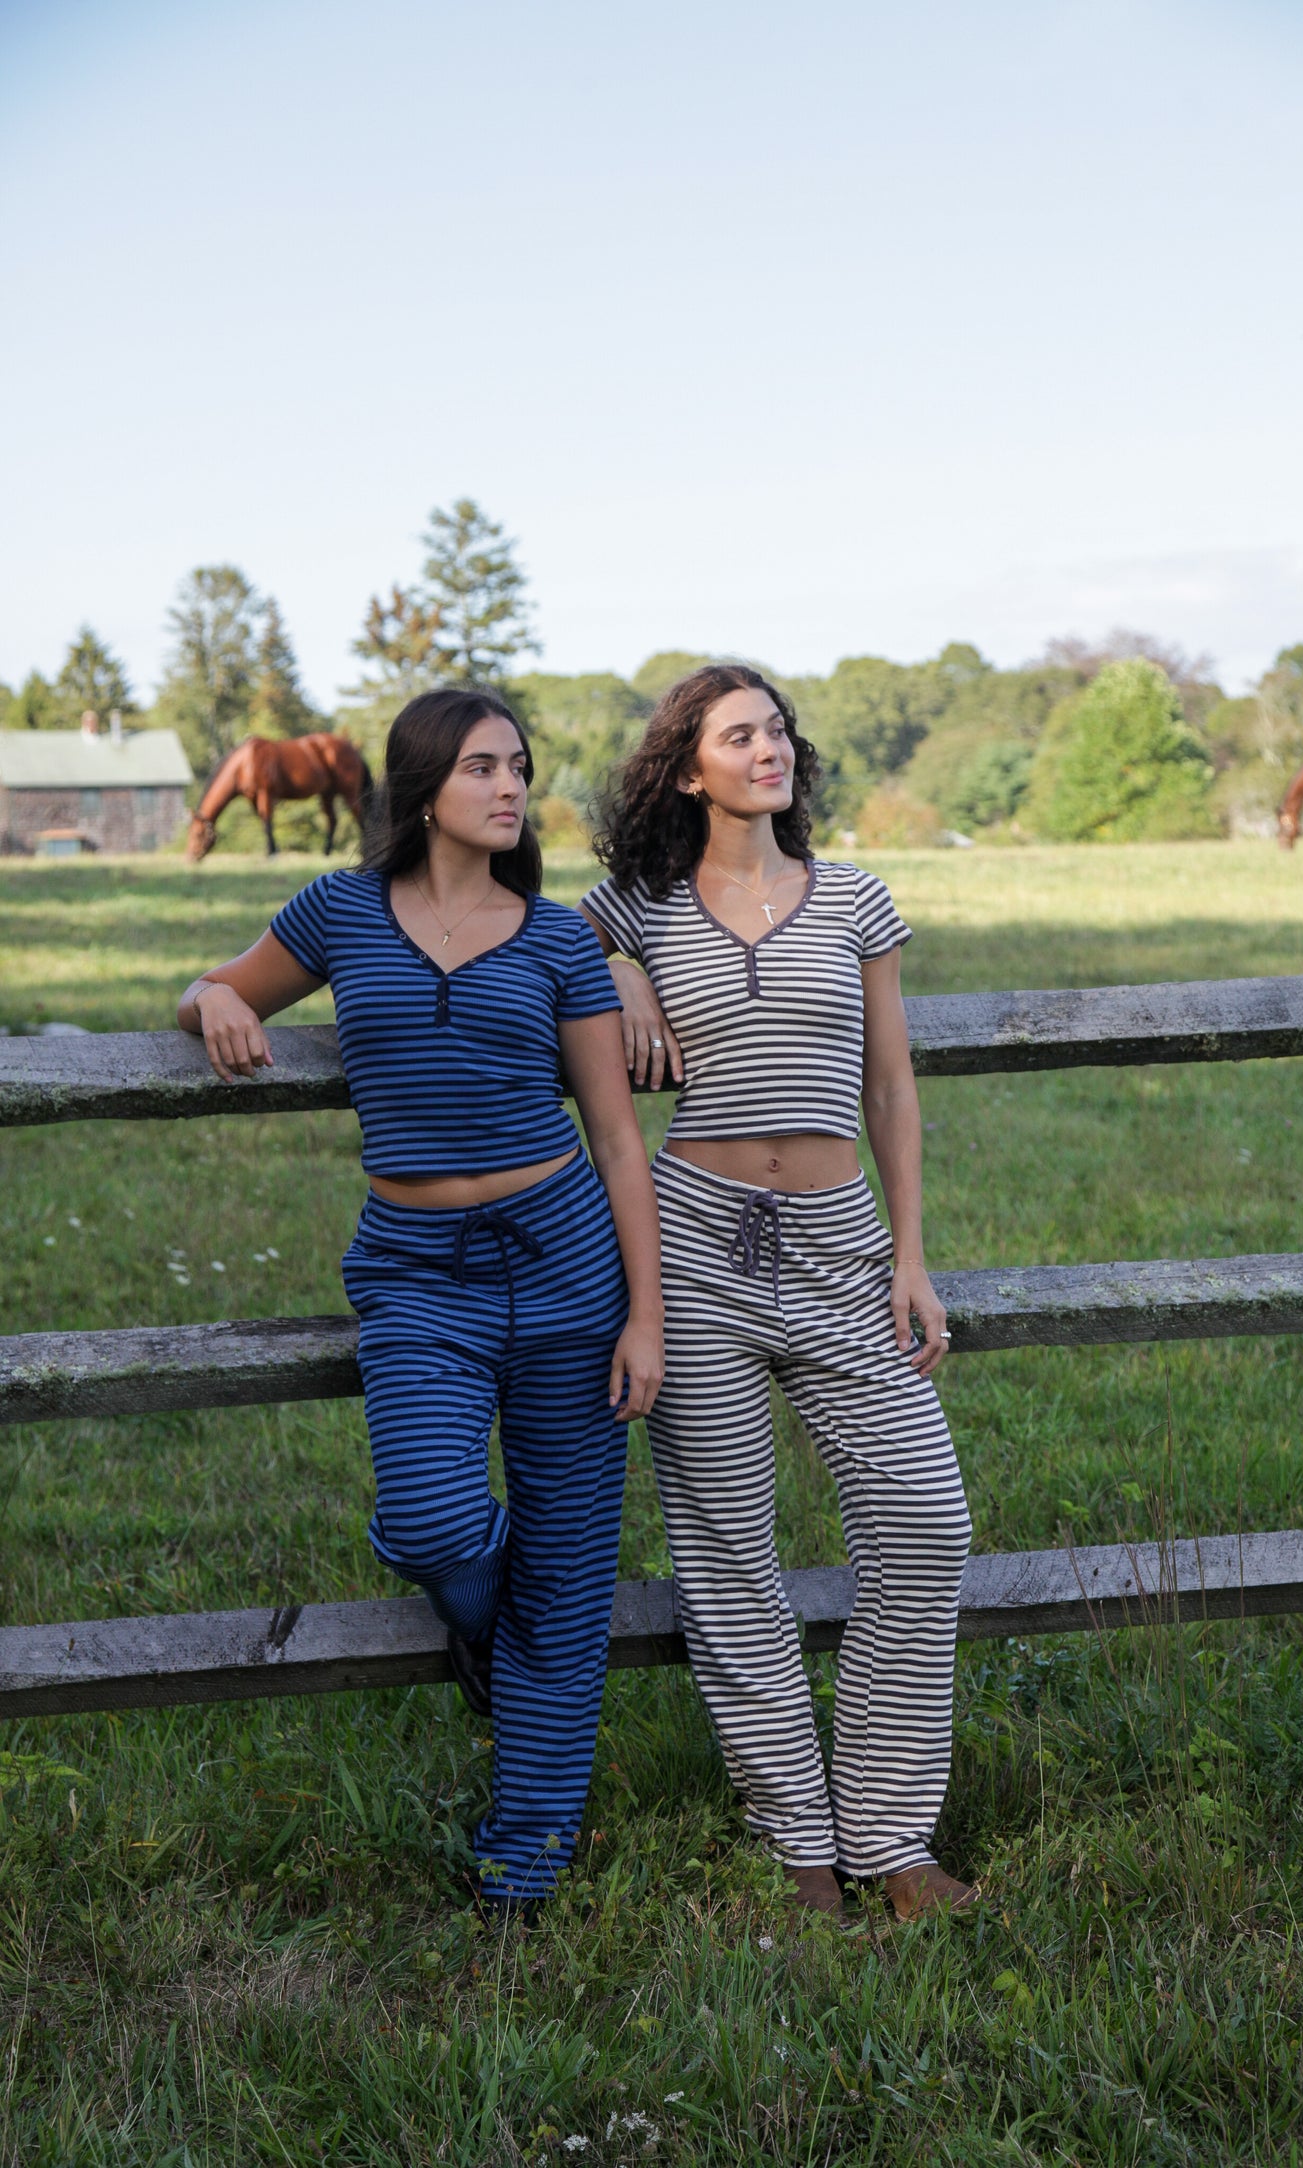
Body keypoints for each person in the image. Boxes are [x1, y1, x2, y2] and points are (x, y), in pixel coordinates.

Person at [178, 687, 664, 1911]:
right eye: (484, 767)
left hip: (564, 1256)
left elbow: (614, 1141)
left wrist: (644, 1314)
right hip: (412, 1268)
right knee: (436, 1521)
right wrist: (217, 996)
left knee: (565, 1560)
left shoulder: (557, 940)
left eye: (520, 768)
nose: (511, 788)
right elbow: (216, 989)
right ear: (421, 784)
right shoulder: (340, 909)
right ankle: (494, 1637)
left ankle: (526, 1848)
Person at [580, 662, 974, 1922]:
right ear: (686, 767)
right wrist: (623, 966)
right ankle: (801, 1840)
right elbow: (540, 927)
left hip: (837, 1244)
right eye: (738, 734)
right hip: (690, 1245)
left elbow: (891, 1087)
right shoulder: (636, 902)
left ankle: (890, 1834)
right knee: (726, 1548)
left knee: (923, 1518)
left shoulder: (853, 897)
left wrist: (907, 1255)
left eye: (777, 731)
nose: (770, 749)